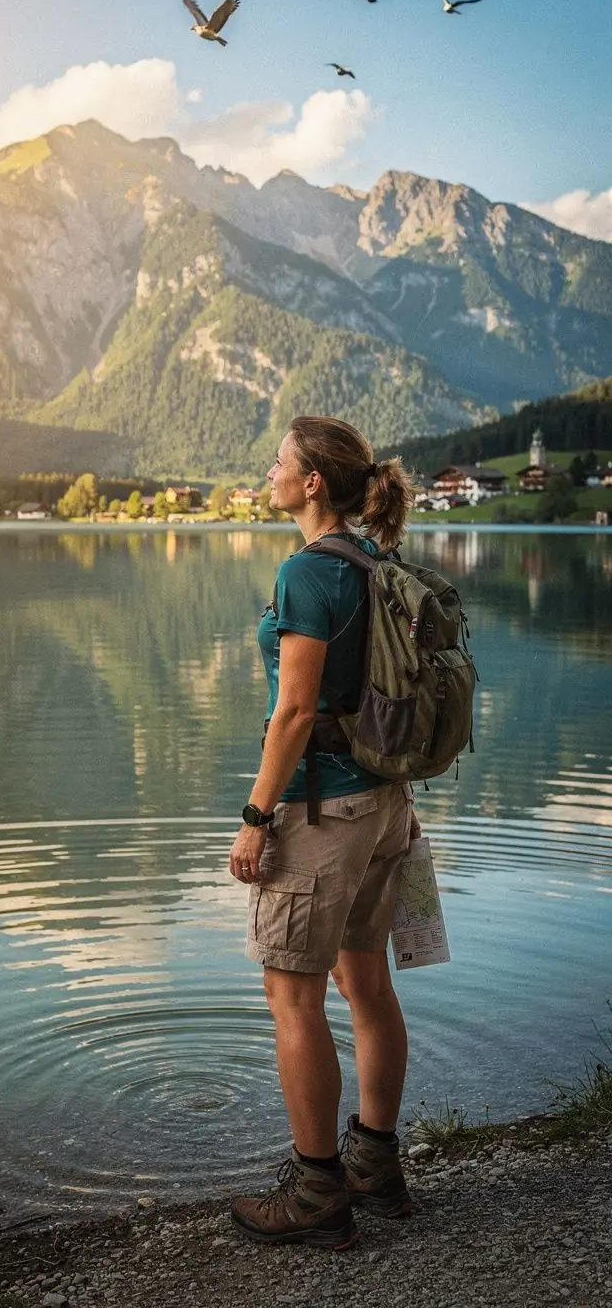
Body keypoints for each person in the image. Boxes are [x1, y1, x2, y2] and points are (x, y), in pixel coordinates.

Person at [228, 415, 419, 1250]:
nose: (268, 472)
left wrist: (255, 818)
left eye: (279, 462)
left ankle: (317, 1194)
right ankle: (376, 1164)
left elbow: (296, 712)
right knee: (367, 985)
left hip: (324, 811)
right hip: (385, 803)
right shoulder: (376, 561)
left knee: (293, 998)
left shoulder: (308, 572)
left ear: (311, 482)